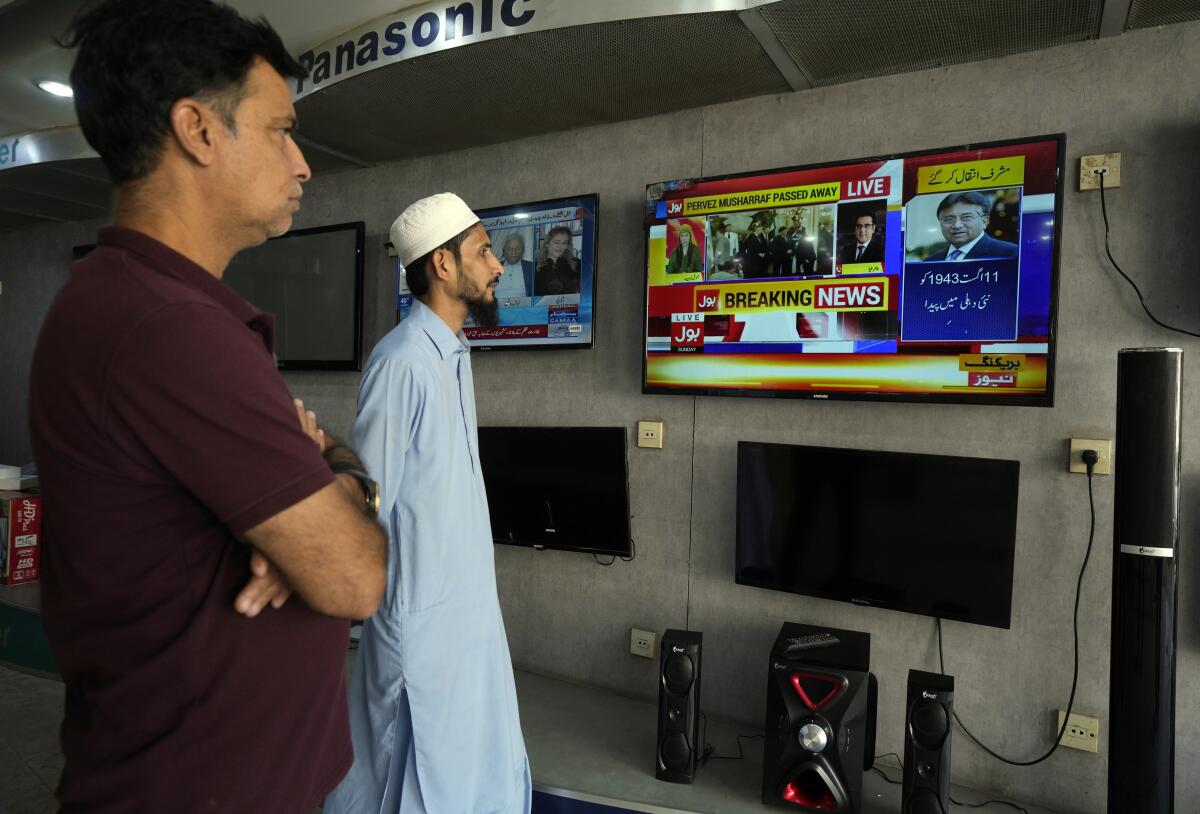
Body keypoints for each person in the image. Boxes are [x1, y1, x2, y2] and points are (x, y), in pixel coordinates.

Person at [28, 1, 388, 810]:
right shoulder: (172, 329)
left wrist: (328, 492)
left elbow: (327, 553)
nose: (302, 164)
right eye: (279, 130)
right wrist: (336, 480)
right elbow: (356, 576)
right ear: (197, 130)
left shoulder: (131, 305)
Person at [326, 193, 532, 814]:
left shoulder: (454, 357)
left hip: (467, 625)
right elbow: (367, 502)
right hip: (418, 628)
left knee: (470, 773)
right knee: (404, 778)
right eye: (484, 252)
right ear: (443, 266)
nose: (497, 266)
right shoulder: (402, 363)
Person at [925, 191, 1019, 261]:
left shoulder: (1011, 254)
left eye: (966, 217)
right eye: (949, 219)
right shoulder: (931, 261)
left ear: (984, 221)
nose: (957, 225)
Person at [533, 224, 581, 295]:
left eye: (564, 243)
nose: (560, 246)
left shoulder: (577, 264)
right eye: (556, 242)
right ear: (547, 244)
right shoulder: (535, 267)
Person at [497, 231, 535, 297]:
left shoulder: (531, 267)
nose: (513, 252)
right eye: (509, 249)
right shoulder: (493, 268)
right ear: (503, 251)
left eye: (517, 249)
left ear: (523, 250)